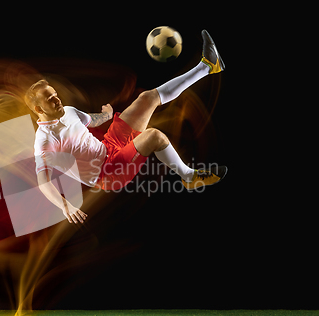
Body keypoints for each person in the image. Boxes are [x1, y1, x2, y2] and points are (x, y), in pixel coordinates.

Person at [25, 30, 227, 224]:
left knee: (147, 98)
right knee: (154, 137)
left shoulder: (67, 111)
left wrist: (106, 115)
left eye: (55, 95)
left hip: (109, 145)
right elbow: (43, 181)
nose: (57, 100)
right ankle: (190, 177)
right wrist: (64, 206)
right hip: (108, 173)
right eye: (50, 100)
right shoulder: (45, 140)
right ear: (37, 108)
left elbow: (89, 120)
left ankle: (209, 65)